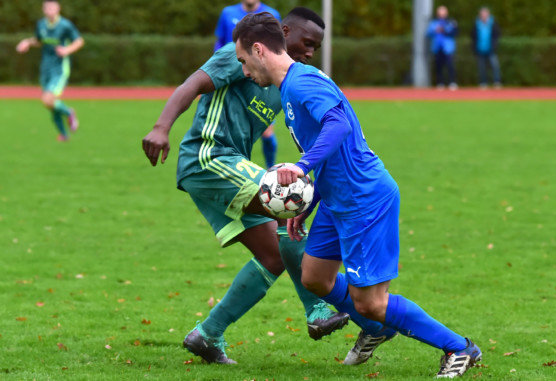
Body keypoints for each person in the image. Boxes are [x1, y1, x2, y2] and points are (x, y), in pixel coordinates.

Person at [233, 12, 482, 378]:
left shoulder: (301, 84)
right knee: (314, 277)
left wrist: (301, 168)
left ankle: (459, 348)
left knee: (371, 302)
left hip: (365, 199)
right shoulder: (290, 86)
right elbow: (331, 149)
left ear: (258, 50)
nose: (243, 71)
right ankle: (379, 329)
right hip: (336, 198)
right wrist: (309, 201)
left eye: (242, 60)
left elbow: (339, 125)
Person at [141, 8, 348, 365]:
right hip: (209, 156)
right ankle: (316, 308)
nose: (311, 51)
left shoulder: (287, 79)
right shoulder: (239, 55)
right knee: (287, 209)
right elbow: (192, 84)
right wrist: (161, 127)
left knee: (272, 256)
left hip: (228, 164)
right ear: (282, 32)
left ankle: (207, 334)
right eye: (307, 42)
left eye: (316, 47)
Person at [215, 0, 281, 168]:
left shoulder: (272, 14)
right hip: (234, 82)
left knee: (266, 131)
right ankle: (238, 170)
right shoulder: (227, 13)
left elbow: (278, 47)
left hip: (261, 80)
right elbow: (219, 43)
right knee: (235, 131)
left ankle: (270, 168)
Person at [15, 0, 83, 142]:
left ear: (58, 8)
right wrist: (27, 42)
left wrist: (67, 50)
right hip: (45, 67)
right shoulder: (41, 24)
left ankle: (68, 112)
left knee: (47, 99)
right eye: (47, 7)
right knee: (51, 104)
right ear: (44, 9)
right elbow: (39, 40)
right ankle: (64, 134)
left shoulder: (65, 25)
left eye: (53, 7)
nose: (50, 10)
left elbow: (79, 41)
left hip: (59, 68)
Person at [427, 6, 458, 90]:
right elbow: (428, 32)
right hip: (437, 47)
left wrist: (444, 30)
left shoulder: (450, 22)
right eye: (440, 12)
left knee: (450, 65)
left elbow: (454, 32)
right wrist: (435, 30)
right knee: (438, 66)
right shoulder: (434, 23)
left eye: (443, 12)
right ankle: (440, 83)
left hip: (448, 48)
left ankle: (452, 82)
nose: (441, 14)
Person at [471, 7, 501, 89]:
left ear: (488, 14)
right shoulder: (477, 24)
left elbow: (497, 35)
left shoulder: (493, 23)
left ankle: (497, 82)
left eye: (485, 14)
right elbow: (473, 37)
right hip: (480, 49)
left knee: (495, 66)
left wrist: (494, 46)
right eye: (482, 14)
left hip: (491, 49)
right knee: (481, 67)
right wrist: (474, 48)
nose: (484, 15)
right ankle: (483, 83)